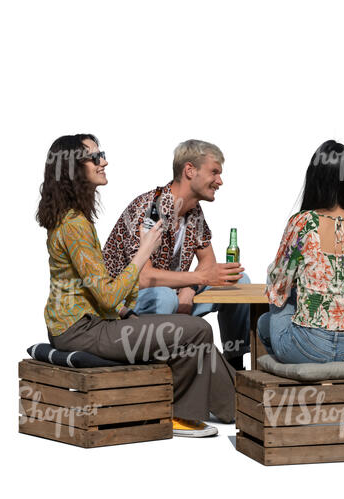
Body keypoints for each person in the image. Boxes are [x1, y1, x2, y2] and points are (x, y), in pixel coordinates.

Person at [37, 134, 236, 438]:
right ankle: (177, 414)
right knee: (196, 329)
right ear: (73, 169)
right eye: (95, 157)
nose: (103, 161)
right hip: (80, 330)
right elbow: (108, 293)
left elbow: (106, 295)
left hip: (98, 321)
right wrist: (144, 252)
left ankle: (240, 408)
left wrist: (129, 311)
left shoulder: (78, 219)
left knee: (193, 334)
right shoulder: (75, 225)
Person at [103, 139, 250, 371]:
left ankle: (236, 365)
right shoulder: (149, 208)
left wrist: (189, 290)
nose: (220, 181)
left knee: (239, 281)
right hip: (125, 301)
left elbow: (208, 263)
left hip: (176, 293)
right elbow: (141, 277)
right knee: (164, 297)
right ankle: (161, 369)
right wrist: (196, 280)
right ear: (189, 170)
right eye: (214, 172)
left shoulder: (194, 212)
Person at [258, 140, 344, 363]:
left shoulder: (304, 223)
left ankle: (297, 379)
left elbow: (278, 283)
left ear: (315, 179)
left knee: (265, 320)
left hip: (308, 346)